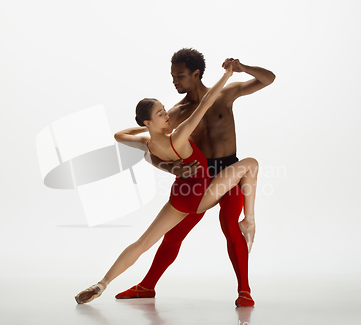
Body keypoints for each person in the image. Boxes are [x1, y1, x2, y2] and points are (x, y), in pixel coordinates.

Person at [75, 60, 259, 305]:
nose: (166, 114)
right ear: (150, 122)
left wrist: (151, 135)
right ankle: (250, 221)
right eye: (161, 114)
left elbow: (119, 135)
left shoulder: (148, 142)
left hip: (179, 197)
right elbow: (206, 103)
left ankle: (101, 284)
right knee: (252, 163)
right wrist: (226, 76)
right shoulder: (180, 135)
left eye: (164, 110)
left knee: (142, 243)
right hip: (202, 195)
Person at [115, 48, 275, 307]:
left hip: (230, 171)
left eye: (179, 76)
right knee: (174, 234)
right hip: (199, 177)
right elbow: (152, 144)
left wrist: (242, 67)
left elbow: (269, 79)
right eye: (172, 76)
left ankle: (244, 291)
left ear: (196, 73)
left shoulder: (224, 94)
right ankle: (146, 286)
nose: (174, 81)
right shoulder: (177, 112)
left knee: (230, 225)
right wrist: (169, 168)